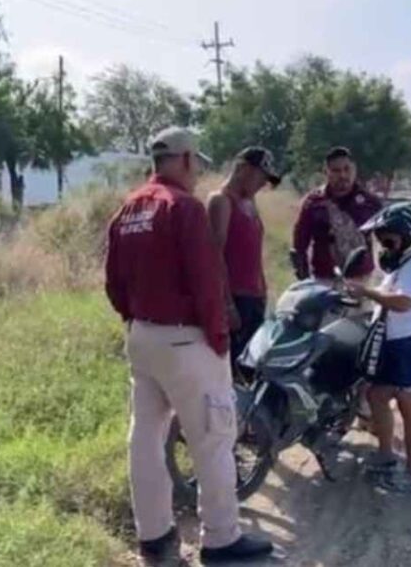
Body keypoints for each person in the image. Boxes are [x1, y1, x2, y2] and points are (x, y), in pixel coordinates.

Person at [104, 127, 273, 564]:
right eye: (196, 161)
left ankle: (156, 542)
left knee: (145, 441)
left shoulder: (128, 209)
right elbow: (207, 282)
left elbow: (114, 284)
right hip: (186, 340)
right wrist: (218, 341)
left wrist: (137, 319)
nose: (198, 171)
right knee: (215, 439)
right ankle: (220, 540)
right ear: (182, 159)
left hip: (142, 338)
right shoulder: (184, 208)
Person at [345, 202, 411, 493]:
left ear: (410, 238)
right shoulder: (402, 267)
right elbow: (386, 296)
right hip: (393, 344)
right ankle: (386, 454)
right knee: (376, 395)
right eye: (382, 240)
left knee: (410, 409)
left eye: (390, 240)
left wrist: (366, 291)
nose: (384, 246)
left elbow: (401, 303)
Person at [206, 147, 281, 380]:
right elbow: (214, 255)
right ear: (243, 169)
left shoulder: (250, 202)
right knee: (232, 371)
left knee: (252, 368)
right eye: (260, 176)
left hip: (254, 297)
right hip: (235, 298)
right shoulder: (221, 200)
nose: (262, 184)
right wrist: (227, 304)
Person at [291, 147, 384, 284]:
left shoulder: (370, 202)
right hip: (324, 278)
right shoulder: (313, 202)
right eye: (336, 171)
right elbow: (299, 243)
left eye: (347, 169)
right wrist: (304, 280)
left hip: (360, 279)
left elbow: (388, 239)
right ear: (326, 172)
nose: (343, 175)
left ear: (354, 170)